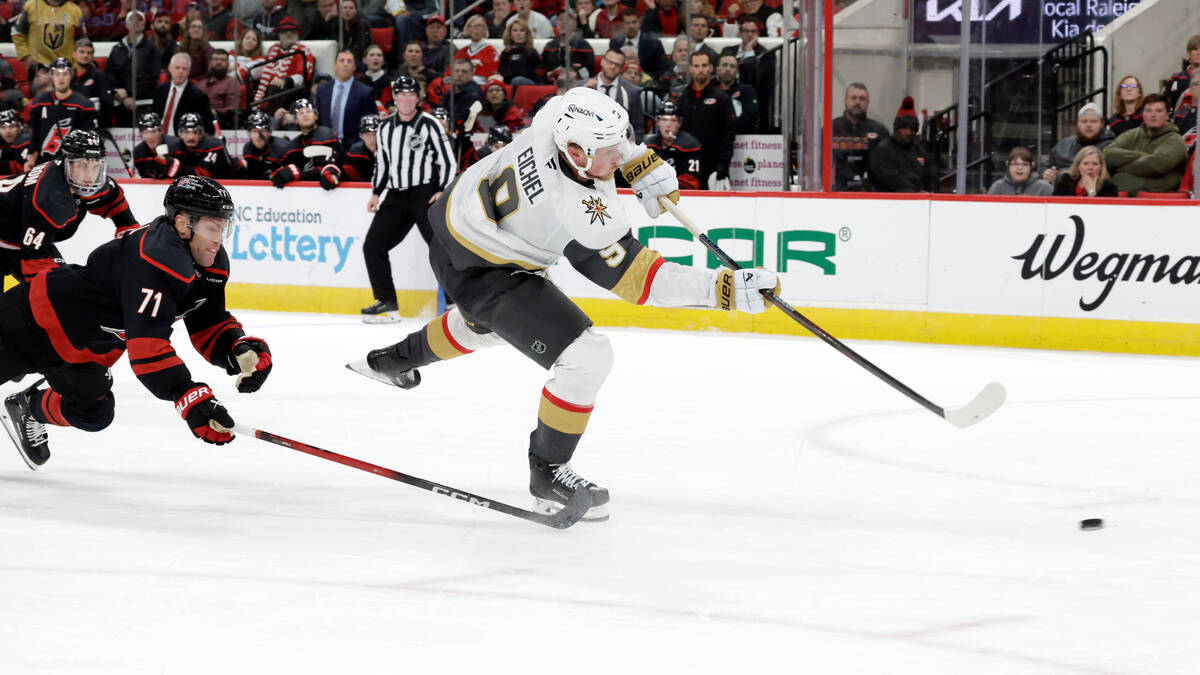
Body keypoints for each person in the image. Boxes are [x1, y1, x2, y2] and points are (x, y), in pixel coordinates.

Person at [347, 87, 778, 522]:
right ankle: (548, 474)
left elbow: (593, 123)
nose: (616, 157)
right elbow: (642, 282)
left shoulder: (554, 116)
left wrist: (635, 158)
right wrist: (723, 289)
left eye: (618, 143)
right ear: (575, 152)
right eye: (607, 151)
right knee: (588, 356)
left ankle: (391, 361)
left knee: (487, 325)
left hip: (458, 221)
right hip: (484, 268)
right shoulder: (580, 213)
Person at [0, 175, 273, 470]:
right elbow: (147, 350)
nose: (219, 238)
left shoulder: (210, 262)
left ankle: (27, 407)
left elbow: (207, 321)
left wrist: (236, 347)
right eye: (211, 227)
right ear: (183, 224)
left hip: (84, 351)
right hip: (30, 325)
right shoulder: (155, 258)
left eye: (223, 227)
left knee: (94, 413)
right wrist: (188, 394)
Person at [359, 76, 455, 322]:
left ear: (417, 98)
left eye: (411, 94)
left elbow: (447, 159)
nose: (406, 99)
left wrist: (442, 189)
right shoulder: (384, 127)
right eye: (401, 95)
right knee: (373, 245)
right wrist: (377, 192)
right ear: (395, 98)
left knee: (441, 249)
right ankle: (387, 302)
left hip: (424, 194)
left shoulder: (430, 124)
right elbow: (383, 163)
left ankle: (457, 303)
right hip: (397, 195)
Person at [0, 129, 139, 285]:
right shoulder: (48, 198)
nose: (89, 175)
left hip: (20, 236)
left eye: (95, 166)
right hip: (11, 234)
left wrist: (131, 247)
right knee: (49, 293)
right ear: (67, 163)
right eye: (83, 165)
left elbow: (122, 214)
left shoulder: (102, 186)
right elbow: (34, 264)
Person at [1104, 93, 1189, 194]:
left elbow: (1155, 166)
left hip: (1162, 199)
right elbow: (1107, 154)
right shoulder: (1132, 134)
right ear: (1143, 114)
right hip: (1128, 197)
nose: (1153, 115)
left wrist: (1119, 170)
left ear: (1167, 115)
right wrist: (1141, 156)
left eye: (1159, 111)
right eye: (1148, 111)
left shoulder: (1175, 141)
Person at [675, 51, 734, 190]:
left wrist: (723, 163)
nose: (700, 69)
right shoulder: (682, 98)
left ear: (711, 68)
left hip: (713, 166)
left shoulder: (721, 98)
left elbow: (729, 133)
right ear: (690, 68)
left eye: (704, 65)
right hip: (686, 165)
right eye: (696, 66)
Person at [29, 58, 99, 165]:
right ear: (51, 76)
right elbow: (35, 134)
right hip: (43, 164)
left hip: (72, 164)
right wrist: (32, 158)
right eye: (57, 74)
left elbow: (87, 139)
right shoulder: (39, 102)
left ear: (71, 76)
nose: (61, 78)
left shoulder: (84, 105)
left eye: (65, 74)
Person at [272, 98, 345, 189]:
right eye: (301, 113)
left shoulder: (326, 135)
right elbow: (282, 169)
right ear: (295, 120)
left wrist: (298, 173)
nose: (305, 114)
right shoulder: (293, 146)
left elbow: (325, 171)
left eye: (308, 111)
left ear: (316, 116)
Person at [720, 14, 774, 132]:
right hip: (726, 98)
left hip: (752, 102)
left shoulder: (766, 54)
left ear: (758, 34)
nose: (749, 34)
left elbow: (757, 80)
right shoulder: (728, 50)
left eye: (753, 31)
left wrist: (749, 52)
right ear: (739, 33)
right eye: (746, 31)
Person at [830, 83, 888, 191]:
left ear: (868, 102)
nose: (857, 102)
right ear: (845, 101)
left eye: (862, 99)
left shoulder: (879, 130)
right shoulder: (831, 128)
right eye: (853, 98)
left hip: (870, 194)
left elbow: (886, 166)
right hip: (837, 193)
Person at [253, 16, 316, 112]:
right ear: (279, 35)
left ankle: (274, 117)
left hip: (293, 90)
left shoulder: (303, 51)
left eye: (292, 31)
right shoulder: (273, 50)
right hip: (270, 90)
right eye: (284, 31)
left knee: (275, 86)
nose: (288, 33)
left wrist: (285, 81)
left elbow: (303, 77)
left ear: (297, 34)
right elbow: (266, 71)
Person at [868, 102, 934, 193]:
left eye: (913, 129)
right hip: (890, 200)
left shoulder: (918, 150)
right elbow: (890, 179)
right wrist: (916, 191)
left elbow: (927, 177)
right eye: (904, 128)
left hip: (919, 200)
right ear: (896, 128)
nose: (908, 133)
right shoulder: (884, 149)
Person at [317, 50, 378, 147]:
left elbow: (372, 120)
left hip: (354, 146)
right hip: (326, 145)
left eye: (349, 61)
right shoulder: (322, 90)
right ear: (335, 65)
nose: (345, 64)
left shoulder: (365, 92)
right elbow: (319, 119)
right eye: (342, 61)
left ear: (354, 67)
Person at [1042, 102, 1114, 183]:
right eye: (1084, 121)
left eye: (1093, 121)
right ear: (1077, 123)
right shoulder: (1064, 145)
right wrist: (1046, 173)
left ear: (1102, 124)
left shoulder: (1112, 146)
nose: (1088, 125)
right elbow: (1045, 166)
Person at [582, 49, 644, 141]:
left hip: (620, 148)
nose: (613, 66)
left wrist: (628, 150)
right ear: (602, 61)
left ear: (622, 68)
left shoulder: (632, 91)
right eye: (610, 62)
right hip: (587, 143)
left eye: (618, 64)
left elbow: (638, 129)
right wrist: (583, 95)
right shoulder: (581, 87)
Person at [154, 53, 217, 137]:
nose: (180, 71)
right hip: (159, 138)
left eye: (184, 69)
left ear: (189, 72)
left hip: (182, 141)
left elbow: (209, 128)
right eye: (177, 68)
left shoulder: (199, 97)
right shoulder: (160, 90)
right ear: (170, 68)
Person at [12, 0, 85, 71]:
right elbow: (17, 32)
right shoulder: (31, 5)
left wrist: (79, 62)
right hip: (37, 66)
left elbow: (82, 40)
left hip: (65, 68)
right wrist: (26, 56)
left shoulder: (75, 10)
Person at [644, 100, 701, 189]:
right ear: (657, 122)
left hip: (683, 196)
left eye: (673, 120)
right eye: (664, 120)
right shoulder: (648, 145)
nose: (668, 125)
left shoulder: (690, 145)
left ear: (679, 123)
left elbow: (691, 181)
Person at [610, 8, 668, 80]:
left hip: (645, 83)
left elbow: (663, 70)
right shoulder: (615, 42)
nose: (631, 26)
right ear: (621, 25)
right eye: (627, 23)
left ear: (639, 23)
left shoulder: (654, 43)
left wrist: (641, 78)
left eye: (634, 22)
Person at [72, 39, 115, 130]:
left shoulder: (100, 76)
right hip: (71, 126)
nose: (85, 55)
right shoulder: (68, 76)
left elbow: (107, 106)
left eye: (89, 53)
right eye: (82, 52)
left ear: (92, 56)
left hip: (93, 128)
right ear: (74, 54)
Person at [177, 112, 236, 178]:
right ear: (180, 133)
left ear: (201, 133)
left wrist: (175, 166)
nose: (191, 137)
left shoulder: (213, 146)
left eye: (195, 132)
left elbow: (202, 176)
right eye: (186, 132)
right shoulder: (176, 146)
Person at [133, 112, 187, 179]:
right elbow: (145, 177)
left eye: (153, 131)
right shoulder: (138, 152)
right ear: (141, 134)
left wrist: (176, 167)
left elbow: (190, 173)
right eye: (145, 133)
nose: (150, 137)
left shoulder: (177, 145)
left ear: (161, 131)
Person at [1052, 145, 1120, 197]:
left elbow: (1104, 211)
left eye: (1095, 164)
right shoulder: (1067, 179)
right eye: (1085, 164)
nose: (1090, 168)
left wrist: (1091, 191)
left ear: (1101, 167)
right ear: (1078, 165)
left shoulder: (1109, 187)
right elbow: (1054, 204)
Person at [240, 110, 291, 179]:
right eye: (255, 131)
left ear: (269, 132)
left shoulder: (282, 148)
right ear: (249, 134)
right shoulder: (248, 148)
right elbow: (251, 177)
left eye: (263, 131)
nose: (259, 136)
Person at [197, 49, 241, 129]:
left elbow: (232, 108)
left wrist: (216, 111)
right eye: (216, 59)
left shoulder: (232, 82)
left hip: (220, 120)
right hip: (199, 116)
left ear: (227, 64)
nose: (219, 62)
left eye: (223, 60)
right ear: (210, 63)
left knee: (209, 117)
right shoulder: (200, 83)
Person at [715, 53, 758, 133]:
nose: (728, 69)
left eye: (732, 66)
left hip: (741, 140)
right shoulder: (709, 91)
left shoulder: (746, 90)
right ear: (717, 70)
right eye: (724, 65)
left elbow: (751, 119)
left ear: (737, 72)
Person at [986, 146, 1052, 196]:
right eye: (1015, 164)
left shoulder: (1044, 188)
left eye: (1025, 164)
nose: (1020, 168)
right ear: (1008, 166)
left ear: (1031, 167)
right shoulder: (998, 187)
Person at [455, 15, 500, 86]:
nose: (477, 29)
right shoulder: (462, 52)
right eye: (474, 26)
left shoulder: (490, 51)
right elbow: (451, 71)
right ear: (468, 29)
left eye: (480, 26)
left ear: (485, 29)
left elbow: (489, 74)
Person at [499, 20, 542, 88]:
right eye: (515, 30)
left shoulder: (532, 52)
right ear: (510, 34)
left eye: (522, 30)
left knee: (517, 80)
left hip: (529, 85)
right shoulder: (505, 53)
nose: (518, 33)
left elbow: (533, 73)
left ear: (526, 34)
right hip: (509, 85)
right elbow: (503, 73)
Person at [1162, 35, 1200, 109]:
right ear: (1189, 53)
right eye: (1195, 49)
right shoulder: (1176, 78)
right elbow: (1165, 104)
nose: (1199, 52)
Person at [342, 114, 379, 181]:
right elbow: (347, 175)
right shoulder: (355, 154)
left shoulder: (390, 152)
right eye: (367, 135)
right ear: (362, 136)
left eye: (375, 134)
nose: (372, 139)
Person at [0, 110, 34, 174]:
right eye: (3, 127)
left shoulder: (28, 141)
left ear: (19, 128)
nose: (8, 131)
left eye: (12, 126)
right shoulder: (2, 142)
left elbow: (24, 168)